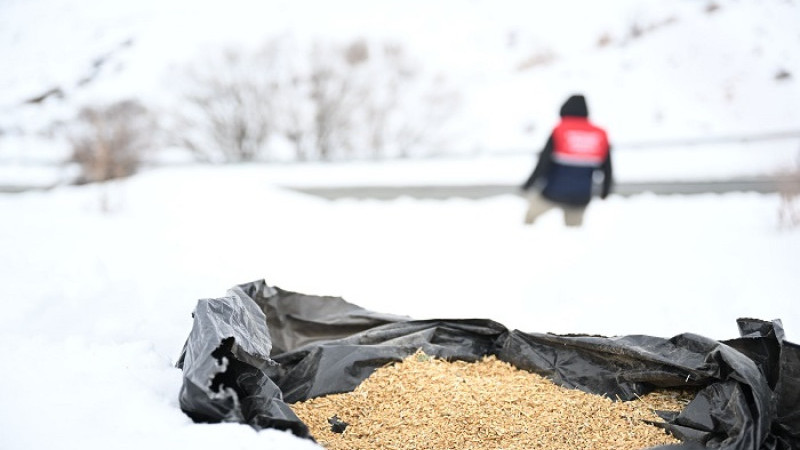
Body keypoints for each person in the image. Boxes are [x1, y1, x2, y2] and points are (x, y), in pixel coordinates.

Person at [521, 94, 612, 227]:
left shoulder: (560, 130)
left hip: (552, 192)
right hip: (581, 196)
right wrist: (605, 192)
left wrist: (529, 184)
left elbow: (543, 163)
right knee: (574, 235)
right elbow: (607, 168)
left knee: (528, 220)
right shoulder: (600, 134)